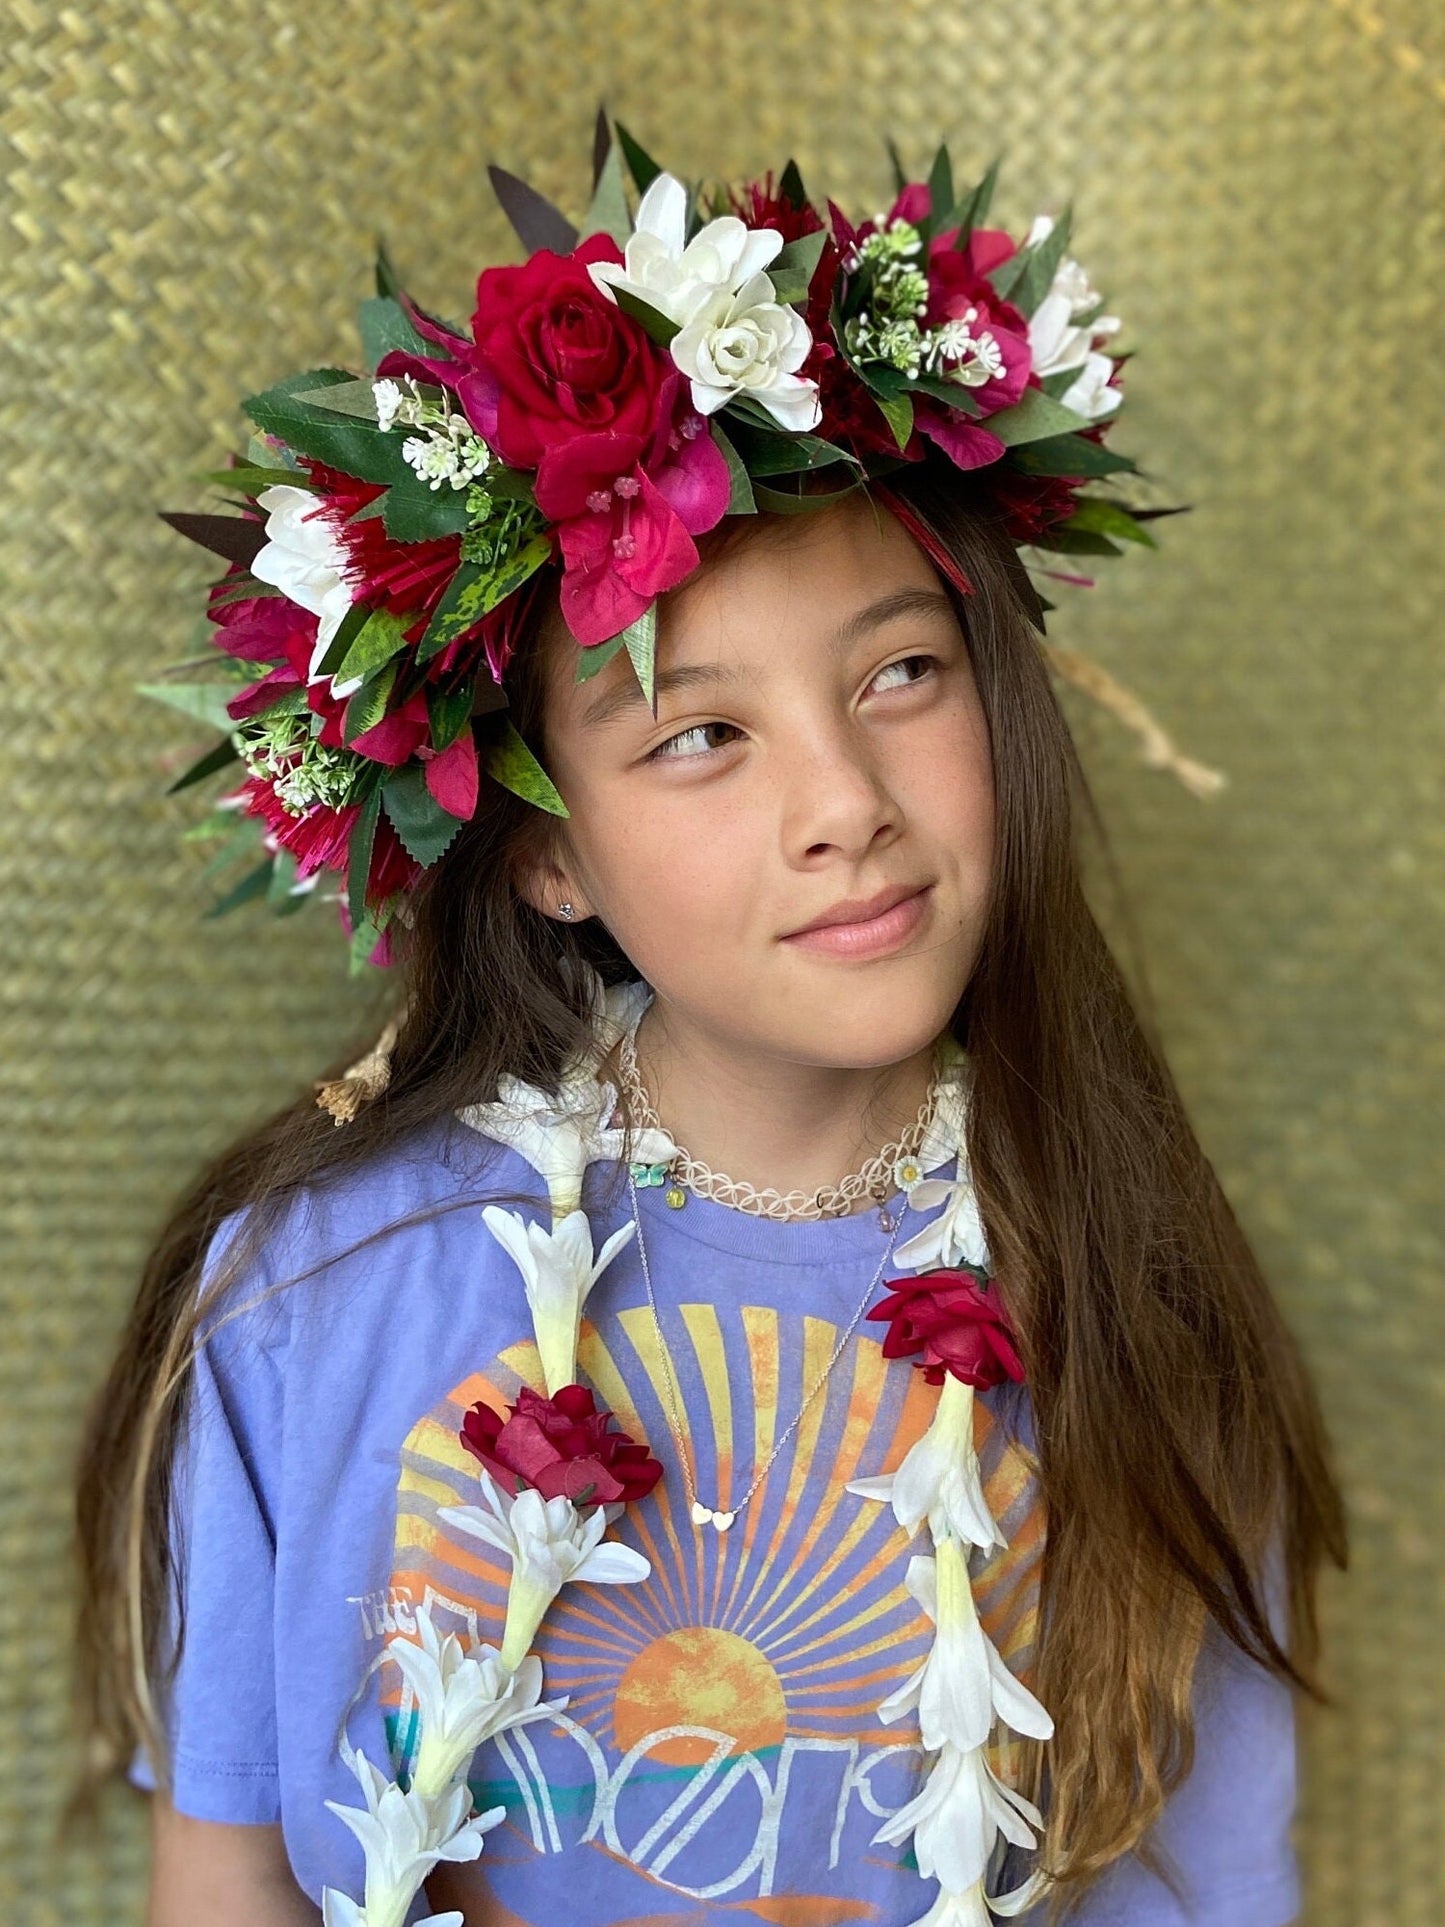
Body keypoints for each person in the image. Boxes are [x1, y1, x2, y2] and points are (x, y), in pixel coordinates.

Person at [73, 129, 1345, 1927]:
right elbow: (227, 1876)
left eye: (900, 675)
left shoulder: (1136, 1299)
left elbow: (1209, 1888)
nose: (846, 803)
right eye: (700, 733)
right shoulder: (313, 1291)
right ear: (546, 854)